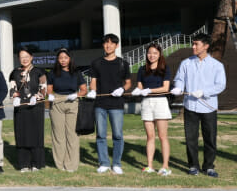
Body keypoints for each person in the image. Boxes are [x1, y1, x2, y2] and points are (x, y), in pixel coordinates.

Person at [171, 33, 226, 178]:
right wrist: (178, 87)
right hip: (190, 107)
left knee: (210, 138)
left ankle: (209, 167)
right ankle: (193, 166)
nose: (193, 47)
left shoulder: (217, 65)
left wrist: (203, 92)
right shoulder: (186, 63)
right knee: (191, 138)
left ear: (206, 46)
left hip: (209, 107)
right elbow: (179, 79)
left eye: (197, 44)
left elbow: (221, 85)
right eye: (193, 44)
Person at [86, 33, 131, 174]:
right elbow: (93, 82)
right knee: (101, 135)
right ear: (103, 45)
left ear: (116, 46)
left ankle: (116, 163)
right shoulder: (96, 63)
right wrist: (92, 91)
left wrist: (122, 89)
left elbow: (128, 83)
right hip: (100, 103)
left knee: (117, 134)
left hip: (116, 104)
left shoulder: (123, 63)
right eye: (106, 42)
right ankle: (104, 163)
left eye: (111, 43)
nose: (108, 45)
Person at [130, 43, 172, 176]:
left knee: (162, 136)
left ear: (159, 54)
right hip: (146, 103)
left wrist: (150, 90)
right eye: (149, 53)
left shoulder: (165, 68)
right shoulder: (142, 70)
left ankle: (165, 166)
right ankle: (149, 166)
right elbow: (140, 87)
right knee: (150, 136)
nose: (151, 55)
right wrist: (139, 91)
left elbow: (165, 88)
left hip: (160, 102)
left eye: (155, 53)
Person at [47, 48, 86, 172]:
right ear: (57, 60)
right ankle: (60, 164)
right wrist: (50, 95)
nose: (63, 60)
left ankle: (71, 165)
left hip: (72, 101)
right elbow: (49, 89)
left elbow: (84, 90)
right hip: (57, 102)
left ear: (70, 59)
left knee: (72, 135)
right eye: (60, 58)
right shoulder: (52, 73)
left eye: (65, 57)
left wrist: (77, 95)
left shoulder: (77, 73)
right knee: (58, 135)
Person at [9, 46, 47, 172]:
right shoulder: (14, 72)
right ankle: (23, 163)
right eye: (21, 57)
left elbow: (44, 88)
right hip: (21, 108)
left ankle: (37, 163)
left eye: (26, 56)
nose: (24, 59)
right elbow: (12, 88)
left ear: (31, 57)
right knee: (22, 134)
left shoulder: (39, 72)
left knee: (35, 134)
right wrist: (14, 97)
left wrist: (37, 97)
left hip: (35, 107)